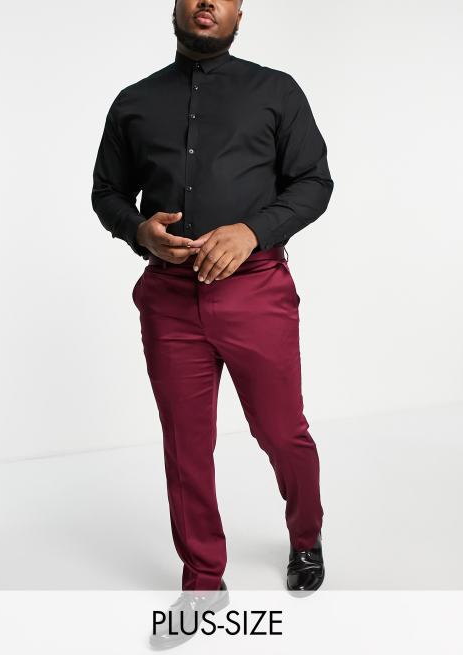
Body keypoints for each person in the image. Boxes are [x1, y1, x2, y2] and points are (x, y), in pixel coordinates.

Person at [91, 0, 333, 647]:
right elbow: (106, 192)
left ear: (238, 13)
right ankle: (203, 580)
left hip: (256, 290)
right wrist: (139, 230)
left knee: (281, 432)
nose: (206, 2)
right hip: (169, 300)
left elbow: (313, 182)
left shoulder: (276, 92)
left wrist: (253, 230)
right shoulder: (134, 102)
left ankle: (305, 537)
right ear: (174, 6)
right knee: (186, 444)